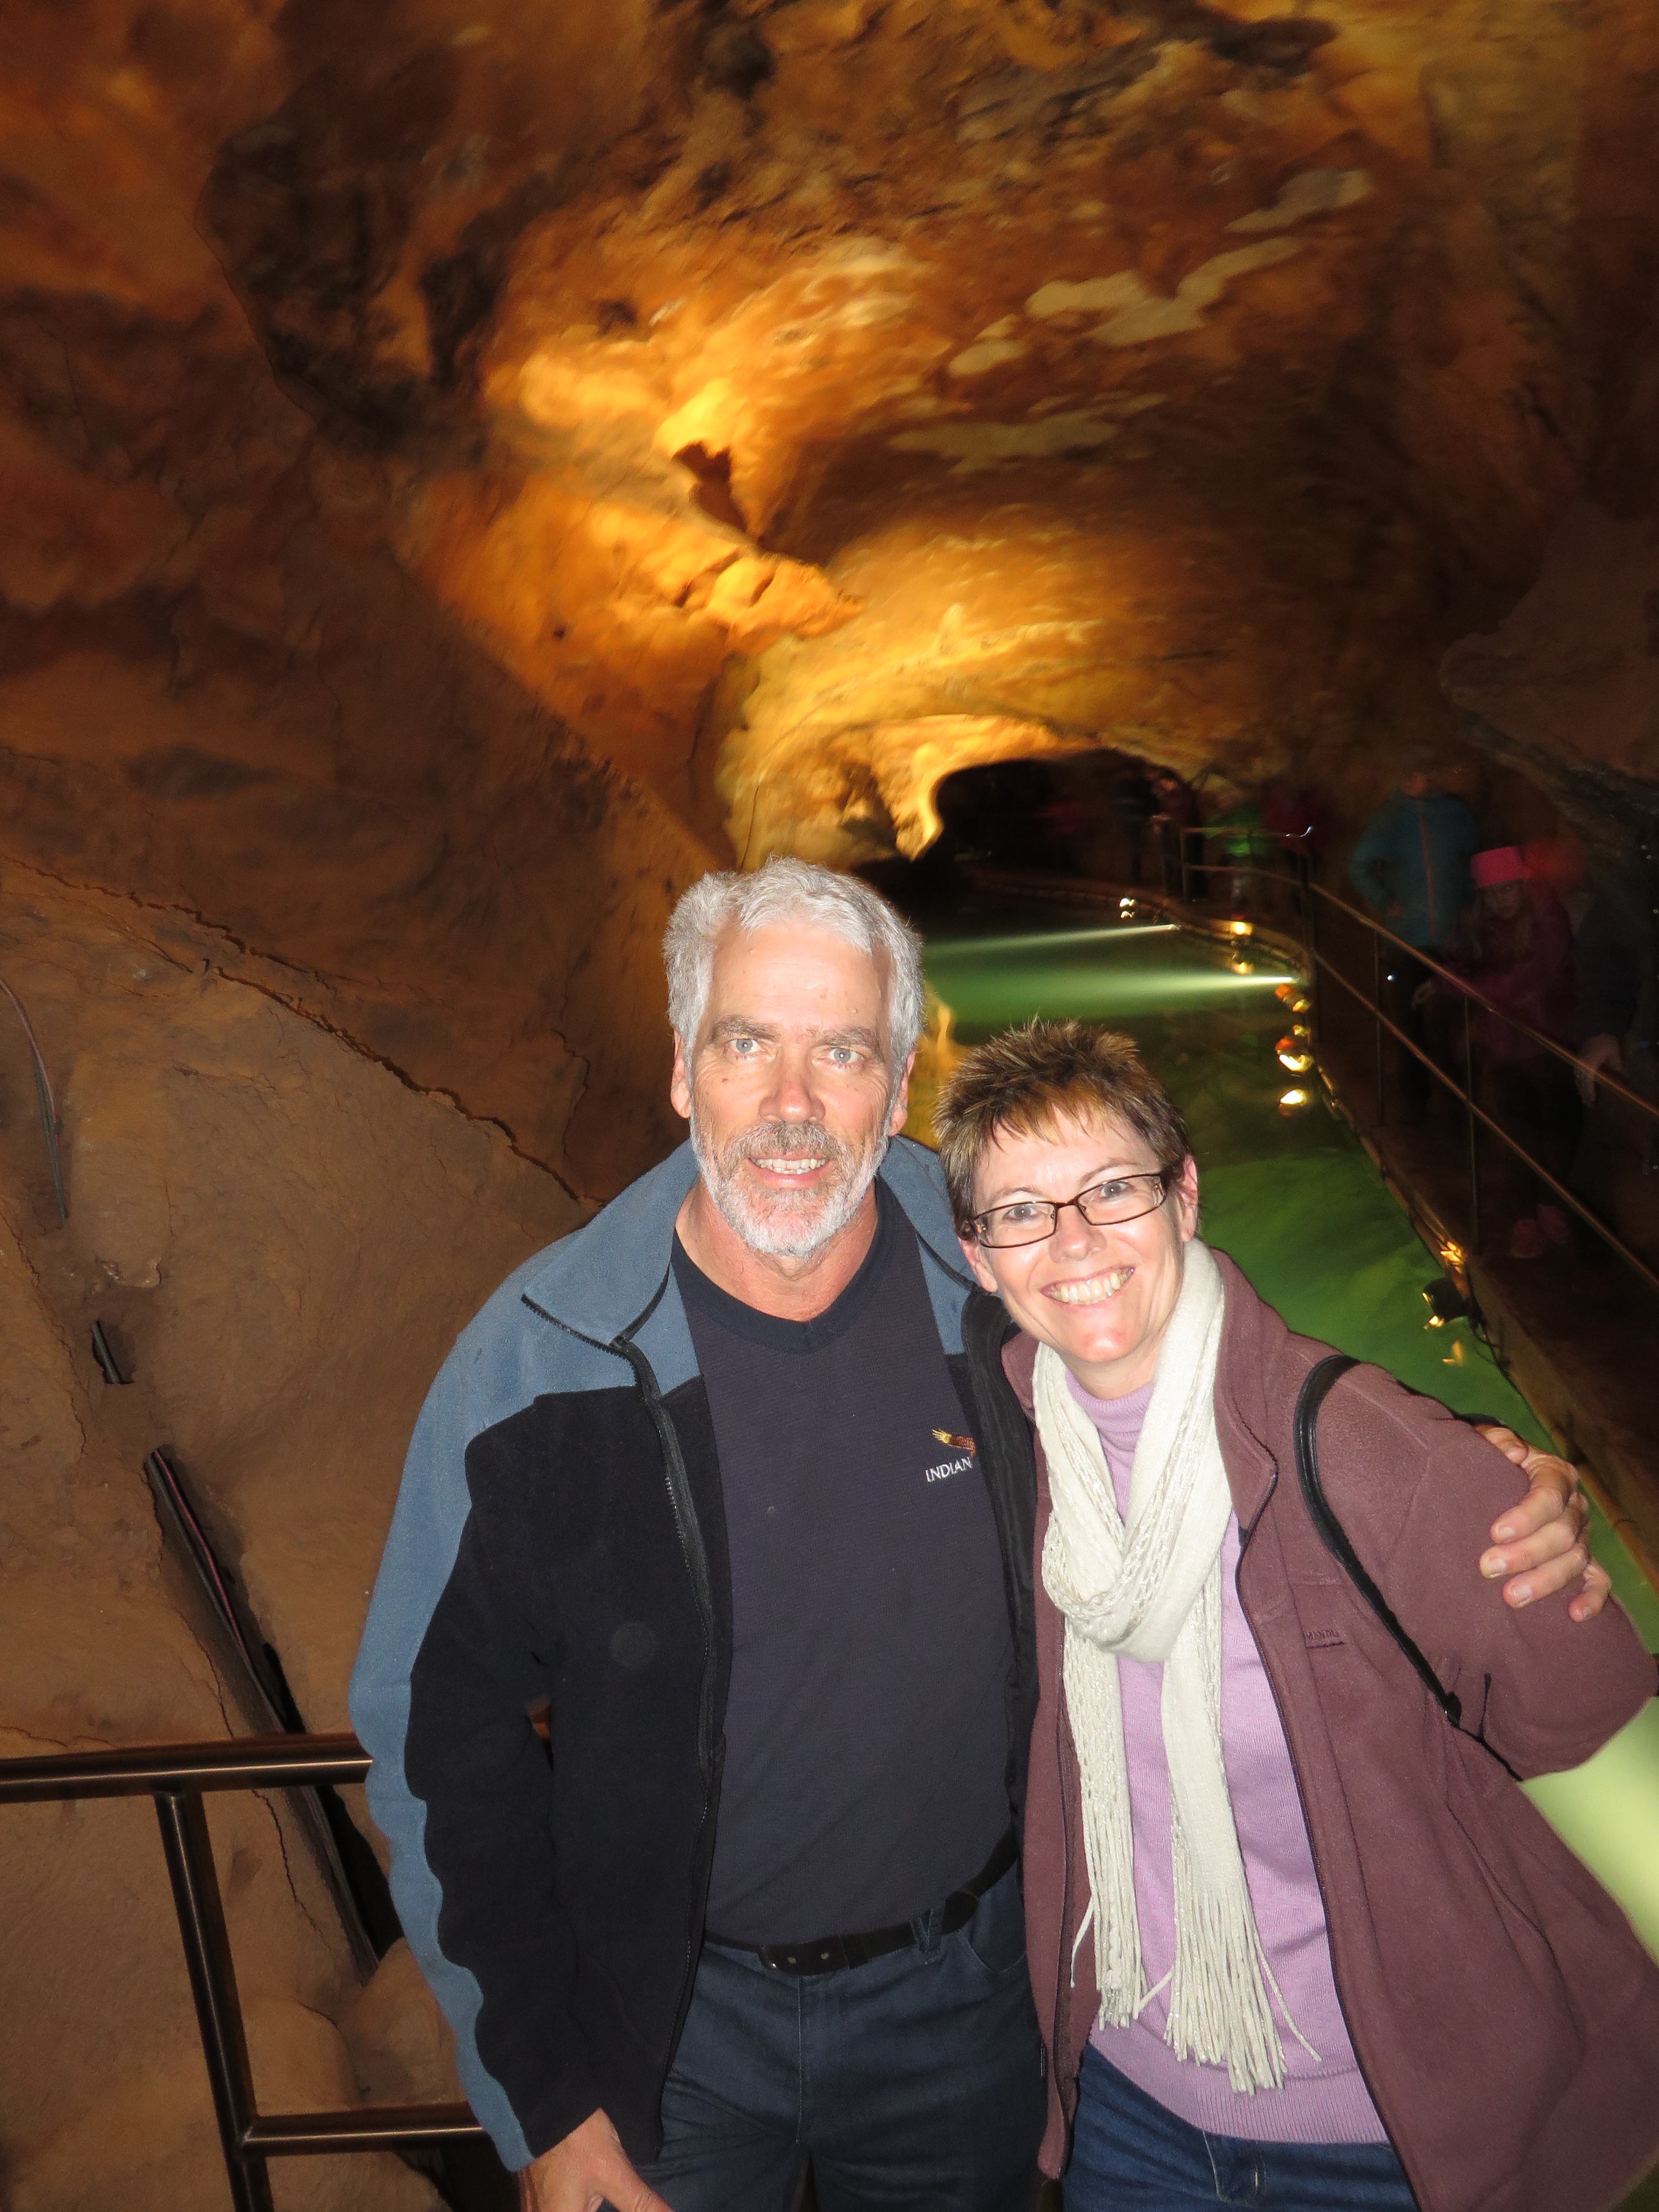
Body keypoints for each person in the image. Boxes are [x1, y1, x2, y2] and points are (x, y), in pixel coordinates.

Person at [350, 860, 1600, 2212]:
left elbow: (1210, 1375)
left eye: (841, 1051)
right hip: (668, 2031)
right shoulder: (543, 1364)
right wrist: (545, 2098)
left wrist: (1462, 1465)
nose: (790, 1103)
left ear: (897, 1087)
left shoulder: (1001, 1289)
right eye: (745, 1043)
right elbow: (436, 1732)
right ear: (680, 1069)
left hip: (968, 2004)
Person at [933, 1019, 1659, 2212]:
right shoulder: (1010, 1463)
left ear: (1184, 1195)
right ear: (978, 1254)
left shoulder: (1359, 1448)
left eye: (1112, 1188)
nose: (1074, 1240)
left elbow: (1587, 1706)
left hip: (1384, 2136)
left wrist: (1506, 1489)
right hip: (1134, 2109)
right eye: (1022, 1210)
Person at [1434, 847, 1579, 1259]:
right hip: (1503, 1045)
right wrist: (1452, 984)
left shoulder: (1549, 920)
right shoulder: (1475, 924)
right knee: (1517, 1132)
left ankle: (1550, 1203)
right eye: (1491, 893)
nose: (1500, 901)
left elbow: (1533, 977)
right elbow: (1452, 967)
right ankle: (1524, 1217)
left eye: (1508, 890)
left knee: (1559, 1128)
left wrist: (1473, 988)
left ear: (1524, 886)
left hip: (1548, 1041)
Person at [1347, 757, 1479, 1122]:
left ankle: (1459, 1102)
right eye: (1414, 773)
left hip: (1452, 940)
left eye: (1425, 772)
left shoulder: (1454, 813)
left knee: (1453, 1024)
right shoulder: (1391, 818)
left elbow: (1473, 860)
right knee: (1409, 1023)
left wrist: (1471, 907)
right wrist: (1384, 901)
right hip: (1407, 940)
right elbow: (1359, 865)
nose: (1421, 780)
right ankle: (1415, 1101)